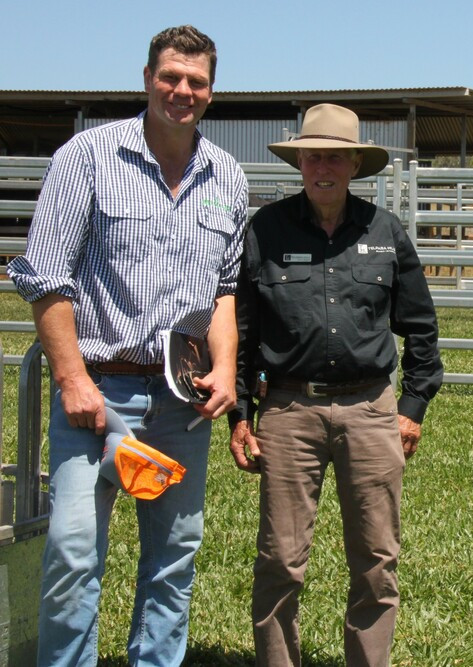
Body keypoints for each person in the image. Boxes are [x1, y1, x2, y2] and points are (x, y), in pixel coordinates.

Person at [7, 25, 249, 666]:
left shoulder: (226, 175)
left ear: (212, 92)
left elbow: (224, 289)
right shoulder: (85, 157)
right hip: (98, 396)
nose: (182, 90)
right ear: (147, 78)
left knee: (174, 558)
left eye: (196, 81)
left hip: (182, 398)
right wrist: (72, 380)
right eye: (171, 76)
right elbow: (45, 277)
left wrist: (225, 366)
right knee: (73, 553)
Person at [228, 103, 443, 666]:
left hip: (371, 410)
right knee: (280, 557)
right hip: (288, 411)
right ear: (300, 163)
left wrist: (414, 406)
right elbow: (244, 333)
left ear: (354, 165)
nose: (322, 166)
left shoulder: (385, 232)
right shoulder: (265, 230)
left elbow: (421, 327)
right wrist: (240, 418)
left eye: (335, 157)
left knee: (376, 557)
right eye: (312, 156)